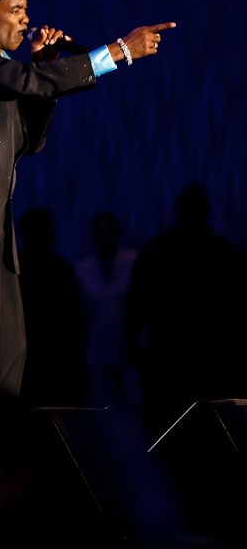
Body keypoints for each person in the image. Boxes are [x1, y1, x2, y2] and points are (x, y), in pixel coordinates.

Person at [0, 0, 176, 416]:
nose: (25, 19)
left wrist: (44, 70)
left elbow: (28, 141)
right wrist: (118, 52)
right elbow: (19, 82)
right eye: (15, 9)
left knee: (7, 351)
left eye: (26, 9)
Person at [125, 182, 247, 439]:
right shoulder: (222, 251)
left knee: (171, 427)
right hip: (204, 353)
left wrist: (134, 348)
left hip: (175, 352)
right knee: (201, 428)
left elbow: (136, 304)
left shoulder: (158, 249)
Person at [16, 207, 86, 408]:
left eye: (47, 228)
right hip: (31, 354)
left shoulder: (59, 267)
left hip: (56, 355)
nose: (47, 233)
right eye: (41, 229)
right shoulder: (18, 268)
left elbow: (70, 313)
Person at [74, 211, 140, 409]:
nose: (105, 237)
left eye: (109, 231)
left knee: (133, 406)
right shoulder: (83, 268)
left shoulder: (132, 262)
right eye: (101, 232)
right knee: (101, 407)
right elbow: (80, 313)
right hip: (97, 347)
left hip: (129, 347)